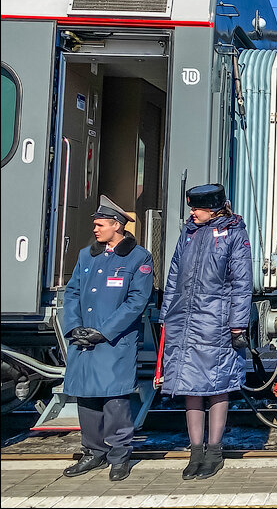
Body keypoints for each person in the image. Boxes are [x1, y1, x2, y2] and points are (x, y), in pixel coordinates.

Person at [158, 183, 252, 480]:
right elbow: (174, 276)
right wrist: (166, 316)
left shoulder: (234, 234)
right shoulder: (188, 233)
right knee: (190, 387)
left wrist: (238, 324)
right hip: (185, 321)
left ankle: (214, 451)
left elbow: (242, 282)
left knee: (217, 386)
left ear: (213, 209)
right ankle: (195, 451)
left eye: (196, 208)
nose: (192, 213)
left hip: (217, 322)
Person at [61, 195, 154, 482]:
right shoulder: (86, 255)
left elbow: (137, 301)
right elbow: (73, 291)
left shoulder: (139, 257)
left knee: (115, 400)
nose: (95, 229)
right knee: (86, 398)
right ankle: (93, 452)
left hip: (113, 341)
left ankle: (119, 455)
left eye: (100, 224)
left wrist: (104, 331)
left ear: (117, 225)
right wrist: (74, 327)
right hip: (84, 340)